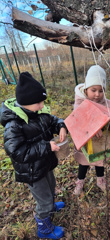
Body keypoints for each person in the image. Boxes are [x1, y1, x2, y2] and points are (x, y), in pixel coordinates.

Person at [0, 72, 68, 239]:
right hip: (31, 171)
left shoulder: (38, 112)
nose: (42, 105)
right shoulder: (14, 125)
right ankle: (44, 228)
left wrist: (61, 126)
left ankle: (50, 206)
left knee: (51, 187)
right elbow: (16, 152)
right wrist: (46, 146)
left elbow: (53, 120)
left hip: (45, 164)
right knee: (43, 198)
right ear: (26, 103)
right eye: (39, 102)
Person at [73, 65, 110, 195]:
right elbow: (79, 118)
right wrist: (93, 128)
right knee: (84, 163)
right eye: (93, 90)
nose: (97, 94)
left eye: (101, 91)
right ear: (86, 88)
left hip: (100, 140)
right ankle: (80, 182)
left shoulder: (107, 103)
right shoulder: (80, 102)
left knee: (100, 162)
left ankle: (100, 180)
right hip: (86, 140)